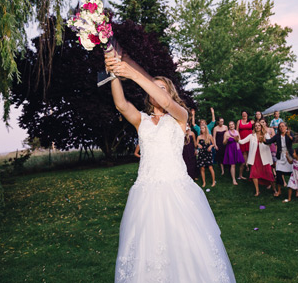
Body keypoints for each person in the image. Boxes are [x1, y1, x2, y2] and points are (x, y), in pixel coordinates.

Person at [105, 50, 234, 281]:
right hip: (145, 195)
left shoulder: (179, 116)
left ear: (171, 93)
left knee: (185, 251)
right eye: (153, 87)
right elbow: (121, 104)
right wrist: (114, 73)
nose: (157, 91)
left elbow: (165, 101)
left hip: (177, 193)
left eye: (162, 87)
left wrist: (133, 74)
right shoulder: (141, 121)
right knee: (148, 253)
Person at [238, 123, 274, 196]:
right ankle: (257, 191)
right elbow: (242, 142)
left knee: (269, 173)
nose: (257, 127)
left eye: (259, 126)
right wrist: (237, 139)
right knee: (254, 174)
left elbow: (270, 144)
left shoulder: (266, 134)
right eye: (256, 126)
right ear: (254, 128)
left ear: (261, 127)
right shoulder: (251, 136)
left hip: (264, 157)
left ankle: (274, 189)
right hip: (255, 157)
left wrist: (264, 141)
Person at [265, 121, 295, 198]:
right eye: (280, 126)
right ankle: (279, 191)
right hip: (280, 156)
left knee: (293, 172)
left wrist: (290, 136)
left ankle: (296, 190)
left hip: (289, 155)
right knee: (278, 172)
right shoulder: (277, 136)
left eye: (283, 126)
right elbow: (269, 141)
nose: (281, 127)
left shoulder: (289, 133)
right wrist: (263, 140)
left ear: (286, 127)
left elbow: (293, 140)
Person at [223, 121, 245, 185]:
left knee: (243, 163)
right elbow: (224, 143)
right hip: (230, 149)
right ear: (228, 126)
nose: (231, 126)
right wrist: (227, 139)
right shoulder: (226, 133)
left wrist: (236, 139)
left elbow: (240, 140)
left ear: (234, 125)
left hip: (237, 149)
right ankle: (234, 179)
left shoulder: (237, 132)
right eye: (230, 125)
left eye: (232, 124)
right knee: (233, 165)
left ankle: (240, 175)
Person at [237, 111, 254, 179]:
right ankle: (245, 166)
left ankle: (250, 168)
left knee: (251, 152)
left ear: (247, 114)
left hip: (250, 139)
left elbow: (255, 129)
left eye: (245, 113)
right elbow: (237, 130)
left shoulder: (251, 121)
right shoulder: (239, 121)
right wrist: (239, 138)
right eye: (242, 113)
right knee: (244, 153)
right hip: (242, 139)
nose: (244, 114)